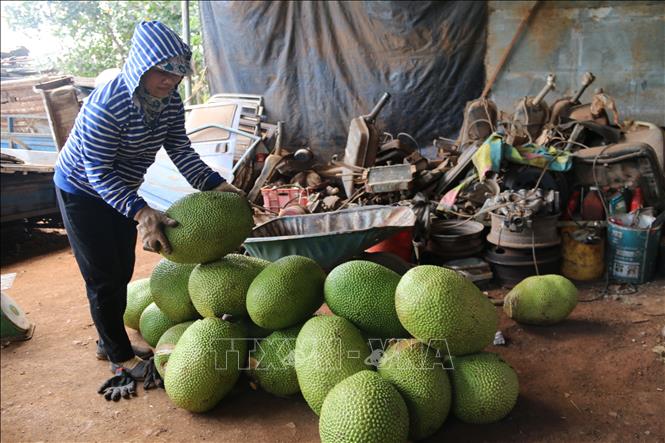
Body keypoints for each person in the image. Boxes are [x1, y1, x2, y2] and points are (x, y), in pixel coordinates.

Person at [54, 21, 243, 399]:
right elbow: (97, 171)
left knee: (121, 269)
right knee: (102, 276)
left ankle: (110, 341)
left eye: (176, 74)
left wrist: (214, 183)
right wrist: (141, 212)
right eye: (162, 72)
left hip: (122, 189)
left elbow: (180, 148)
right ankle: (119, 355)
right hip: (81, 191)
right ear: (142, 65)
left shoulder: (169, 101)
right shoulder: (109, 104)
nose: (170, 81)